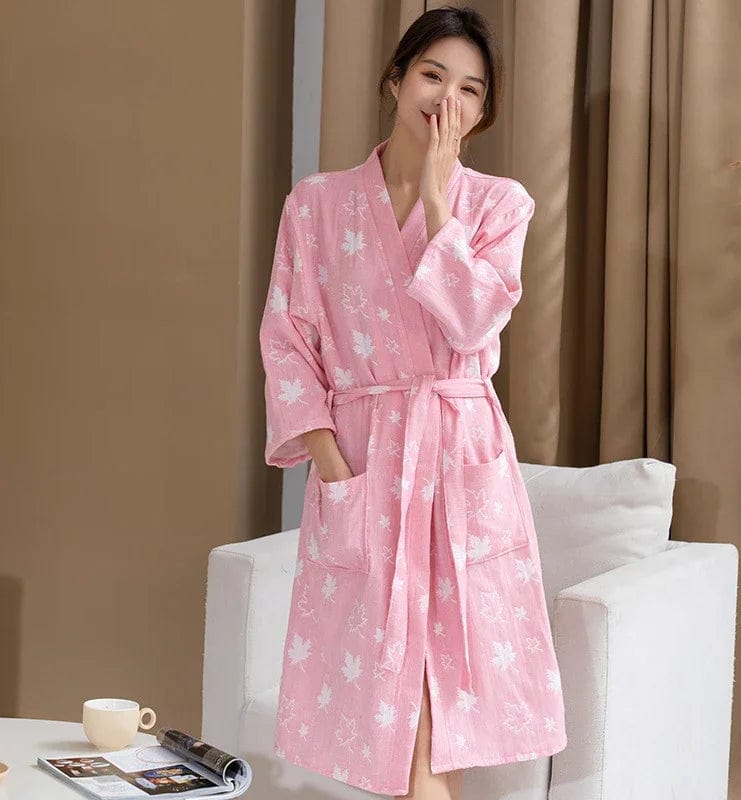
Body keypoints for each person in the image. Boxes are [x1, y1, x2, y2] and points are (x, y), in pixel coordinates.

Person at [259, 5, 567, 798]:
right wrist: (331, 464)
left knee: (437, 693)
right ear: (395, 80)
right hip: (362, 462)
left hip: (457, 458)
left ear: (484, 111)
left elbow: (472, 321)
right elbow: (288, 338)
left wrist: (437, 200)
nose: (447, 100)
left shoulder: (499, 205)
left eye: (470, 89)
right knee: (387, 704)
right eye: (433, 75)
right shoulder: (316, 205)